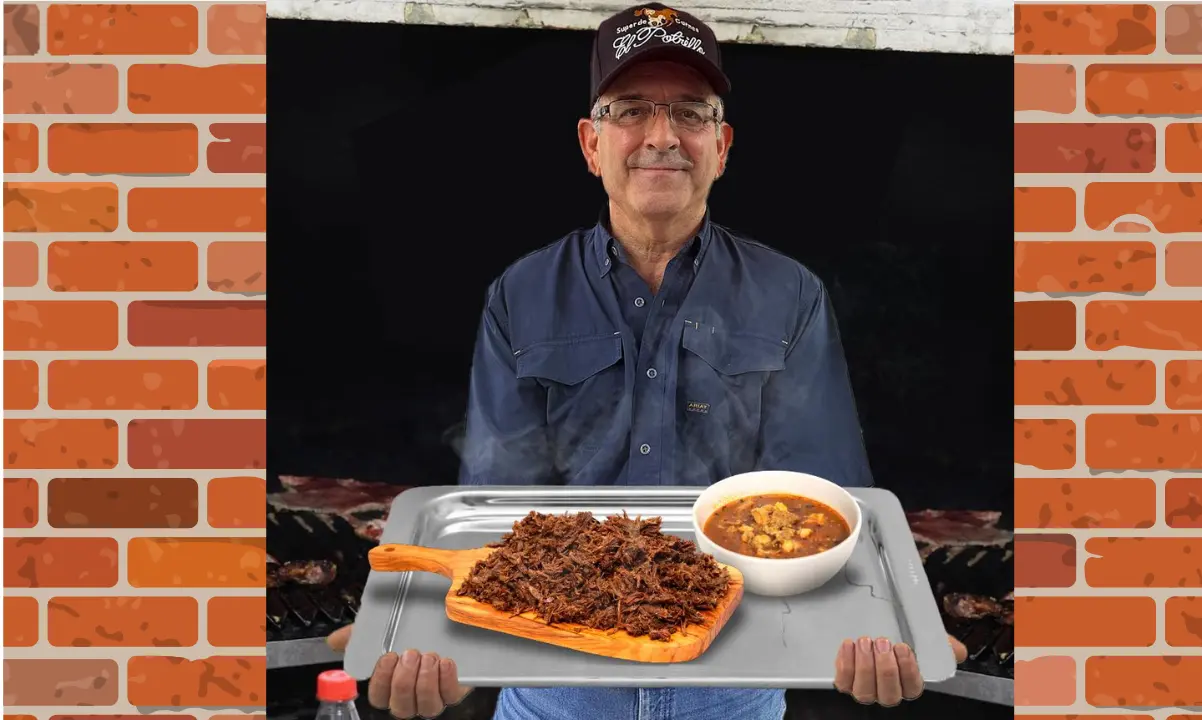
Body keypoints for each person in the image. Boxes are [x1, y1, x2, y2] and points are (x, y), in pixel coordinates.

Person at [325, 3, 966, 718]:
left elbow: (826, 504)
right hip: (554, 682)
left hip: (734, 682)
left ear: (721, 146)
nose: (662, 135)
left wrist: (879, 628)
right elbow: (499, 504)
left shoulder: (791, 295)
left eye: (691, 113)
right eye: (630, 110)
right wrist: (433, 635)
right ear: (590, 143)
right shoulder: (521, 294)